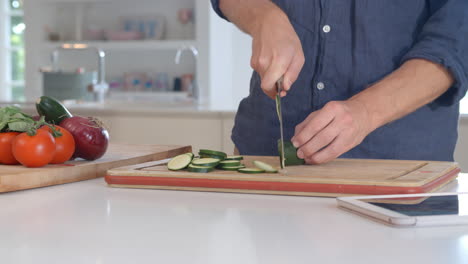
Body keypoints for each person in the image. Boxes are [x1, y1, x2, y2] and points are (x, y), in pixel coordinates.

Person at [211, 0, 468, 164]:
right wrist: (264, 16)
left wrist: (366, 112)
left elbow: (456, 42)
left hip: (398, 176)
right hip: (262, 159)